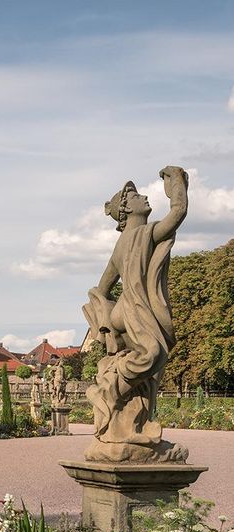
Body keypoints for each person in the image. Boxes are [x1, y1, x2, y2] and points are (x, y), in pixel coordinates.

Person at [82, 165, 188, 462]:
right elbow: (178, 212)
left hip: (124, 312)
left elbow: (101, 289)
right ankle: (107, 392)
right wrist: (177, 181)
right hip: (134, 309)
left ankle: (131, 426)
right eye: (138, 196)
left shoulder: (120, 245)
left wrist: (105, 321)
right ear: (128, 208)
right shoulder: (145, 233)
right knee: (152, 354)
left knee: (150, 372)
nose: (145, 198)